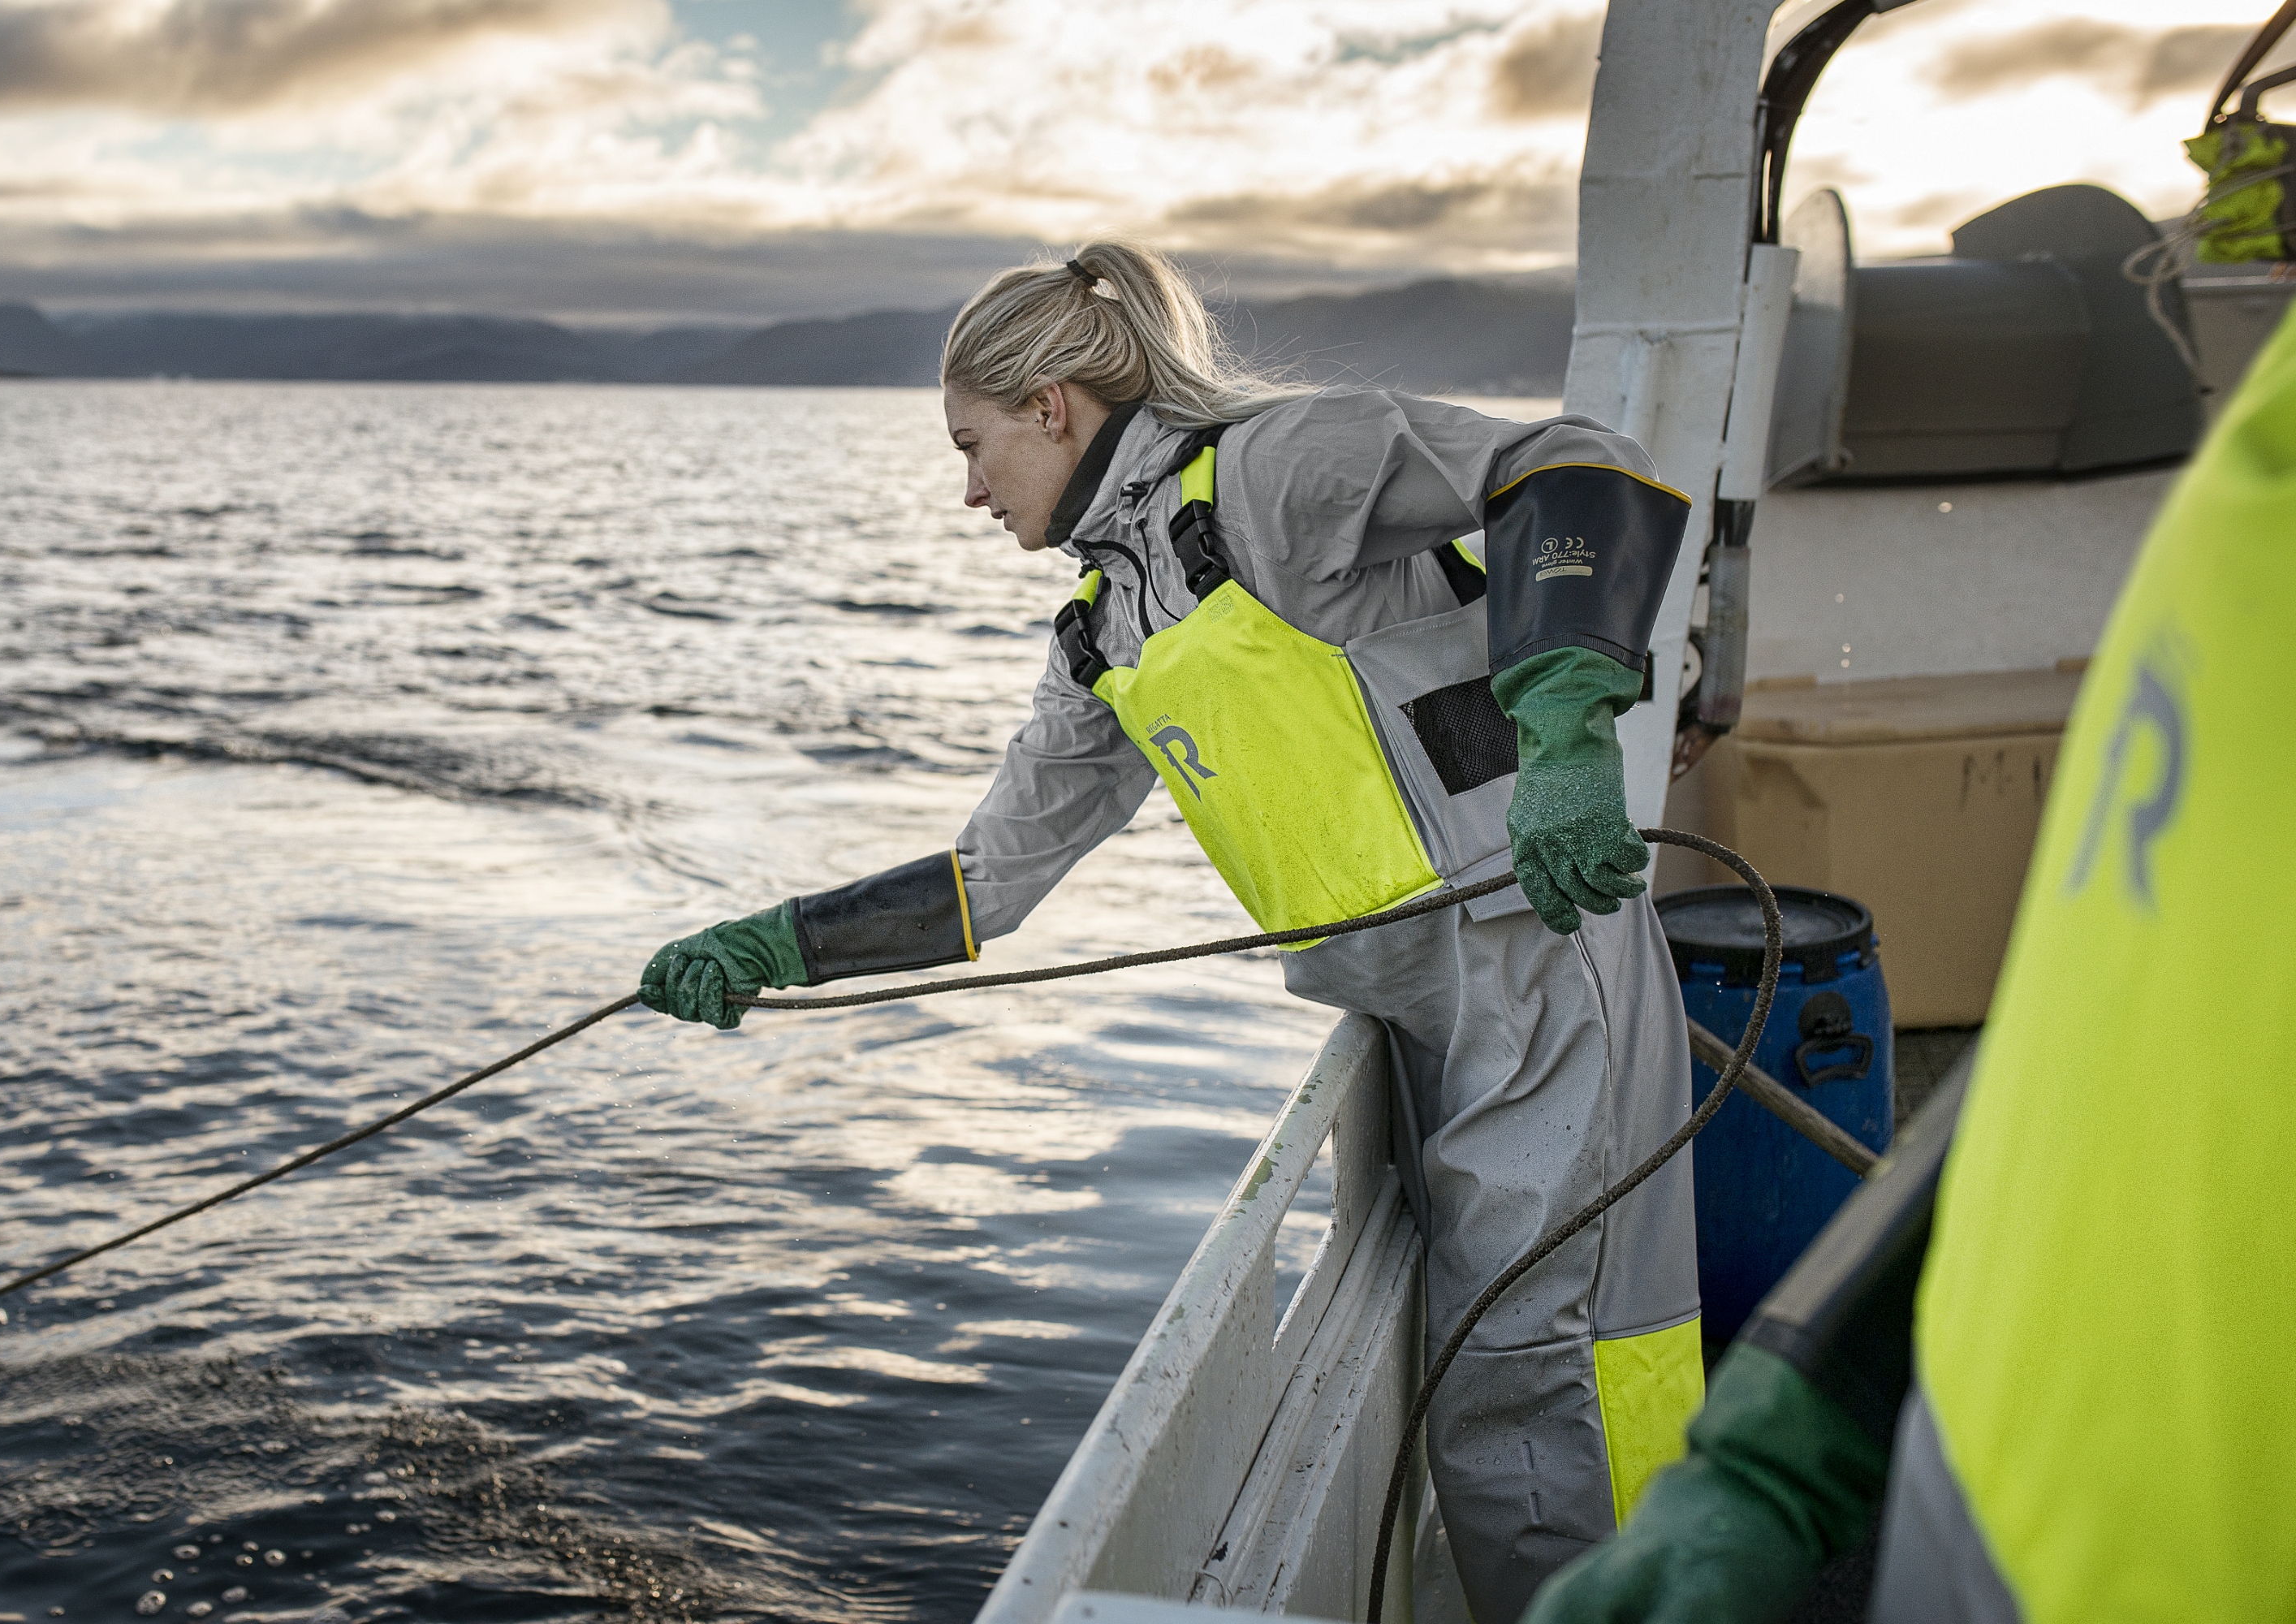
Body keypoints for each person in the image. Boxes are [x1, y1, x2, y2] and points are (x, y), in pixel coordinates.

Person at [638, 240, 1698, 1621]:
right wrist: (775, 946)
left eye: (974, 446)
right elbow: (984, 882)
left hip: (1537, 960)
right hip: (1420, 1014)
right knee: (1495, 1379)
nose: (967, 489)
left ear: (1053, 409)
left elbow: (1578, 463)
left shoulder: (1274, 472)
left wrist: (1564, 724)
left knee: (1545, 1367)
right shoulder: (1104, 632)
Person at [1520, 307, 2296, 1622]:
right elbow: (2101, 1028)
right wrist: (1785, 1446)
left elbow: (1570, 472)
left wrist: (1557, 709)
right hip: (1961, 1505)